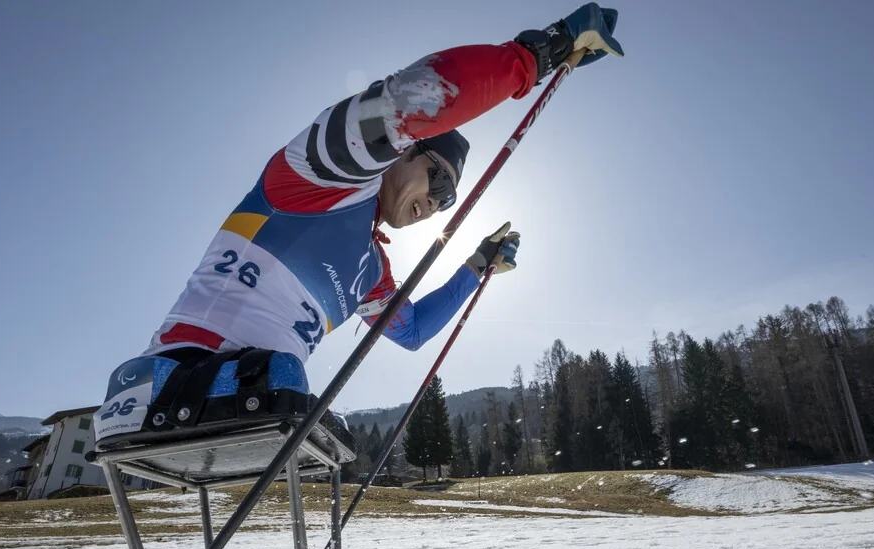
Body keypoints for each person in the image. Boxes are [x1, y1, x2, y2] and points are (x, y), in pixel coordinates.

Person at [92, 4, 622, 445]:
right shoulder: (317, 175)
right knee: (285, 382)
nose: (436, 206)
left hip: (256, 405)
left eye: (449, 200)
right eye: (437, 183)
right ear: (404, 151)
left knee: (307, 412)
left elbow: (410, 331)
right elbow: (410, 102)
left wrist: (477, 265)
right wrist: (541, 51)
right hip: (174, 382)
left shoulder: (372, 268)